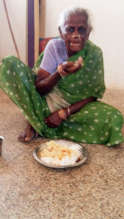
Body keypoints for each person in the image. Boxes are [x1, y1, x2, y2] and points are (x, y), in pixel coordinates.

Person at [0, 7, 124, 146]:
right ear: (61, 32)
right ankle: (39, 119)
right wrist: (59, 73)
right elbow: (39, 89)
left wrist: (64, 113)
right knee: (9, 64)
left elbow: (93, 95)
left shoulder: (94, 54)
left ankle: (36, 121)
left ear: (89, 32)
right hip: (44, 101)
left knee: (114, 118)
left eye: (81, 29)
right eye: (70, 29)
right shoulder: (54, 46)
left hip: (74, 108)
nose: (76, 35)